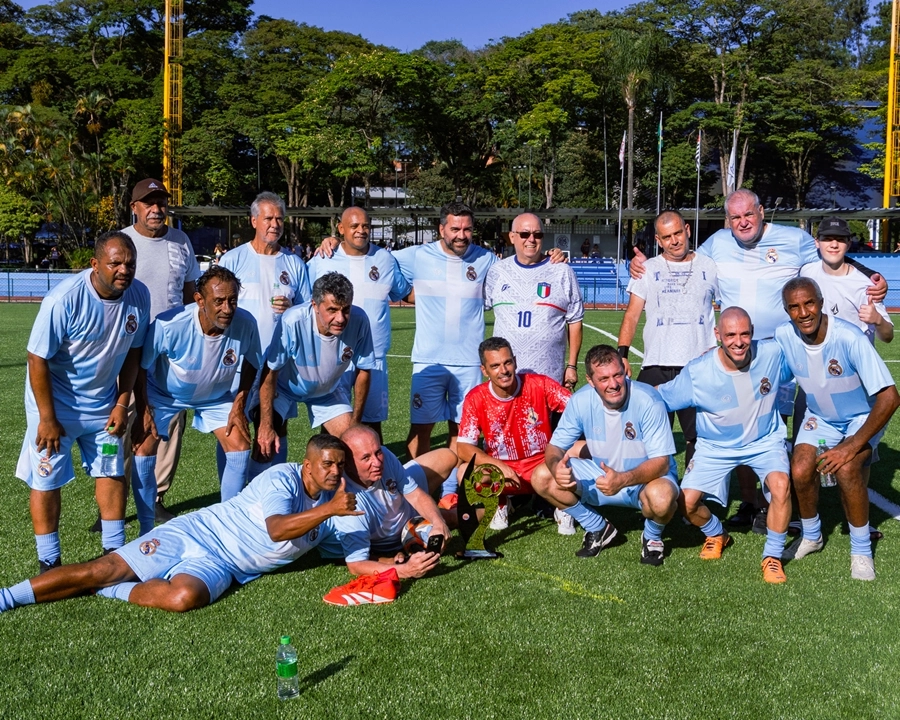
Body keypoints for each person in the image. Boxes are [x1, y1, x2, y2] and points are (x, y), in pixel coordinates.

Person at [631, 189, 887, 530]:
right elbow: (681, 256)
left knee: (774, 432)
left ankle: (778, 503)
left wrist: (870, 273)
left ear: (762, 211)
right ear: (728, 221)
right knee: (742, 422)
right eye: (735, 218)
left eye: (748, 215)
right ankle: (750, 503)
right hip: (737, 350)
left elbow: (830, 252)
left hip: (779, 350)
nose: (743, 223)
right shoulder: (718, 243)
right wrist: (642, 263)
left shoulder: (793, 239)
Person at [0, 436, 363, 614]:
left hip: (225, 566)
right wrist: (329, 510)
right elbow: (277, 529)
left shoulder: (337, 504)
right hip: (197, 532)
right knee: (102, 568)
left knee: (183, 598)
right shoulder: (283, 479)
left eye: (339, 465)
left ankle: (110, 590)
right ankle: (6, 597)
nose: (334, 472)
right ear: (307, 465)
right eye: (327, 464)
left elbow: (357, 551)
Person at [15, 231, 150, 571]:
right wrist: (47, 418)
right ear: (95, 264)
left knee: (112, 469)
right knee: (47, 477)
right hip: (55, 405)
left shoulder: (139, 295)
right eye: (115, 263)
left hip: (104, 405)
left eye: (130, 263)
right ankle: (50, 560)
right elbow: (36, 358)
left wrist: (122, 403)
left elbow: (134, 353)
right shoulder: (65, 299)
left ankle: (114, 552)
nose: (124, 270)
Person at [657, 307, 794, 583]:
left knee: (780, 486)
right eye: (730, 335)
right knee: (686, 502)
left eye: (745, 334)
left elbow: (806, 362)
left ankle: (773, 556)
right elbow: (658, 399)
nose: (739, 341)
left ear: (753, 332)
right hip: (715, 446)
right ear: (718, 334)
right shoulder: (698, 372)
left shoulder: (772, 354)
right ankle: (717, 533)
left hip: (764, 441)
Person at [775, 278, 900, 580]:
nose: (803, 312)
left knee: (846, 469)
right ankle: (812, 535)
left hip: (861, 416)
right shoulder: (784, 336)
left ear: (819, 301)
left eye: (809, 303)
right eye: (794, 307)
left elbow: (890, 398)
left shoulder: (849, 337)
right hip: (821, 416)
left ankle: (860, 550)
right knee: (802, 468)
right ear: (786, 311)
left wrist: (850, 445)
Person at [131, 267, 262, 536]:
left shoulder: (246, 323)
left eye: (233, 300)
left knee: (239, 445)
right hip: (165, 396)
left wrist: (239, 404)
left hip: (216, 398)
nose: (227, 308)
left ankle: (229, 524)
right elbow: (141, 367)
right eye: (219, 301)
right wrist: (144, 408)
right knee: (143, 447)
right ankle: (146, 527)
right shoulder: (169, 325)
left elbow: (252, 361)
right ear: (199, 300)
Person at [532, 345, 679, 566]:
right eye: (603, 379)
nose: (613, 384)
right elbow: (554, 448)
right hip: (601, 475)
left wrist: (623, 479)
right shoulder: (580, 401)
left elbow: (662, 463)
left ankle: (652, 536)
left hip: (644, 479)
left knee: (662, 498)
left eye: (617, 375)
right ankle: (598, 527)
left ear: (625, 371)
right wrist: (556, 468)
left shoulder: (649, 400)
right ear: (590, 381)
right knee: (542, 476)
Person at [120, 178, 202, 523]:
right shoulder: (122, 242)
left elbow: (189, 295)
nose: (156, 209)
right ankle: (114, 497)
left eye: (161, 203)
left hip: (170, 349)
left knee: (167, 426)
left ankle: (154, 496)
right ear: (134, 208)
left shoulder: (181, 240)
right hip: (127, 348)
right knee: (122, 422)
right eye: (148, 203)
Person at [393, 202, 497, 458]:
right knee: (420, 429)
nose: (461, 235)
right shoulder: (417, 255)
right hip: (429, 360)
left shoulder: (486, 258)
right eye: (455, 229)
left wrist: (551, 256)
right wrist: (333, 241)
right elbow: (373, 258)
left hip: (470, 362)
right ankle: (418, 488)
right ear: (441, 229)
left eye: (467, 229)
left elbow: (519, 266)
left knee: (463, 432)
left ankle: (451, 491)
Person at [616, 210, 718, 468]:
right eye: (667, 237)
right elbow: (631, 315)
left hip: (698, 367)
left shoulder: (710, 266)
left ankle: (693, 495)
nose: (674, 241)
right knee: (644, 435)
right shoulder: (647, 270)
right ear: (658, 240)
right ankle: (655, 489)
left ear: (688, 231)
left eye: (677, 233)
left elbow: (728, 308)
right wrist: (623, 354)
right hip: (656, 366)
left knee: (698, 437)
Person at [308, 207, 411, 440]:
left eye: (365, 226)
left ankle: (375, 476)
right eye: (354, 226)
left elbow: (402, 292)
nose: (361, 231)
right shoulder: (324, 258)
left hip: (374, 356)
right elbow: (305, 299)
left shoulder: (384, 259)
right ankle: (333, 473)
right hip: (332, 354)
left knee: (372, 423)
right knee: (332, 422)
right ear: (341, 229)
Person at [254, 272, 375, 468]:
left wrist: (355, 423)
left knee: (352, 446)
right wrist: (266, 424)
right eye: (332, 310)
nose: (341, 318)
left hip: (327, 392)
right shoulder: (292, 321)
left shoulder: (360, 320)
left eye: (346, 310)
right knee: (265, 446)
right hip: (283, 389)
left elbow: (364, 371)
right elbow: (271, 372)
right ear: (314, 305)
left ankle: (330, 497)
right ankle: (259, 494)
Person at [456, 337, 572, 532]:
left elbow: (576, 407)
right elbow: (463, 447)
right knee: (464, 473)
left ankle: (564, 505)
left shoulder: (540, 384)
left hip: (543, 466)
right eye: (495, 366)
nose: (504, 371)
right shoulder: (476, 398)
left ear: (515, 361)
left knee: (577, 451)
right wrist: (498, 465)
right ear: (484, 370)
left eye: (507, 362)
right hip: (504, 472)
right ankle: (500, 504)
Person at [326, 425, 455, 582]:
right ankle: (479, 513)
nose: (377, 462)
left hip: (403, 504)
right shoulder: (347, 500)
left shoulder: (385, 456)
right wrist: (405, 570)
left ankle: (464, 512)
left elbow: (415, 496)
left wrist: (437, 523)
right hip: (392, 537)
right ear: (347, 463)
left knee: (448, 457)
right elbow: (356, 565)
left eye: (378, 452)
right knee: (453, 517)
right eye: (366, 458)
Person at [484, 212, 584, 389]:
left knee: (548, 417)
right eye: (524, 234)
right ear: (512, 237)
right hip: (505, 379)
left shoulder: (562, 271)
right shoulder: (497, 271)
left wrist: (572, 365)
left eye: (537, 234)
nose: (531, 239)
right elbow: (475, 309)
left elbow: (575, 320)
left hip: (549, 378)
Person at [218, 191, 311, 355]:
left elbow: (306, 311)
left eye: (279, 219)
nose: (275, 225)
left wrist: (291, 308)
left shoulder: (295, 263)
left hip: (281, 357)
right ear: (254, 221)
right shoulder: (231, 260)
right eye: (268, 219)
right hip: (239, 354)